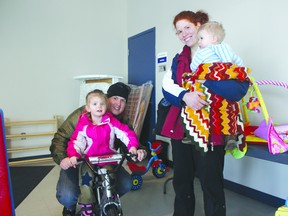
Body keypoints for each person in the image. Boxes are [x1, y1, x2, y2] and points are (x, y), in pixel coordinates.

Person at [161, 11, 250, 216]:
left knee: (212, 185)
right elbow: (168, 87)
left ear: (200, 25)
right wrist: (185, 96)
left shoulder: (223, 54)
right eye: (178, 31)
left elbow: (239, 89)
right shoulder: (178, 60)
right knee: (182, 185)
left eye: (187, 28)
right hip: (181, 131)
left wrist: (206, 81)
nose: (183, 34)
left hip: (212, 131)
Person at [50, 82, 147, 216]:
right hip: (80, 161)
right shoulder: (82, 117)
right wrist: (65, 158)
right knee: (68, 195)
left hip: (106, 159)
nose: (118, 103)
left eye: (123, 100)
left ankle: (105, 199)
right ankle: (73, 207)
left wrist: (137, 149)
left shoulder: (118, 120)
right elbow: (66, 139)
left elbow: (128, 136)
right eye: (115, 98)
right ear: (106, 98)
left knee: (124, 183)